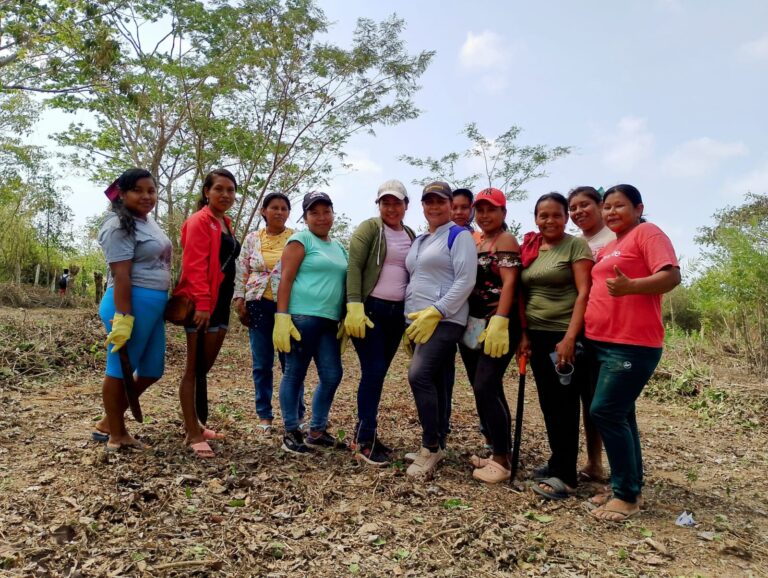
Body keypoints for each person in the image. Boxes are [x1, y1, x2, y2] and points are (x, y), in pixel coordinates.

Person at [584, 184, 680, 522]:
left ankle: (626, 497)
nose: (611, 213)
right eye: (607, 207)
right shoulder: (610, 245)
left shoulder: (647, 233)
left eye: (619, 206)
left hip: (632, 344)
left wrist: (630, 287)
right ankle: (627, 484)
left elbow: (670, 276)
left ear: (638, 208)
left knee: (606, 412)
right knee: (622, 415)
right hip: (600, 341)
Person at [519, 192, 593, 499]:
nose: (549, 220)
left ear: (566, 217)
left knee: (564, 404)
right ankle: (557, 461)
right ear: (536, 218)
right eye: (543, 215)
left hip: (564, 335)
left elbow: (584, 292)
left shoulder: (575, 245)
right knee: (549, 402)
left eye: (556, 215)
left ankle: (567, 476)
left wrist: (570, 338)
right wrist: (524, 335)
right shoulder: (533, 247)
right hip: (536, 334)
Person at [403, 181, 477, 478]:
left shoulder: (459, 236)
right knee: (438, 380)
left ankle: (430, 446)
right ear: (422, 205)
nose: (434, 206)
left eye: (440, 201)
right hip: (419, 321)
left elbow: (465, 280)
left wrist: (438, 310)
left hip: (446, 319)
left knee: (418, 375)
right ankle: (440, 442)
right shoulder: (421, 240)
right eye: (428, 201)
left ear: (450, 204)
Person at [96, 168, 172, 451]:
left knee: (152, 369)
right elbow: (122, 275)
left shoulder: (148, 222)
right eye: (138, 190)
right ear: (123, 194)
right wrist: (123, 318)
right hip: (129, 303)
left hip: (153, 305)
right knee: (119, 369)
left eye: (151, 190)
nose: (146, 196)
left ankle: (109, 420)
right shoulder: (117, 225)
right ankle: (117, 434)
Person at [345, 179, 416, 465]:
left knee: (379, 373)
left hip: (396, 315)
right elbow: (354, 266)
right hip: (370, 310)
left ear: (406, 205)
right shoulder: (370, 229)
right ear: (378, 205)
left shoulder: (410, 233)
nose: (391, 207)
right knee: (373, 371)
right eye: (385, 202)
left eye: (396, 202)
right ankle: (363, 440)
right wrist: (353, 306)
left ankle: (367, 432)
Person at [273, 191, 348, 455]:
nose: (321, 217)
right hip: (302, 317)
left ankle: (316, 430)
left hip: (329, 321)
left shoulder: (338, 247)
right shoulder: (300, 240)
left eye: (326, 211)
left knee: (332, 374)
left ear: (332, 214)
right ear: (305, 217)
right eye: (314, 212)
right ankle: (291, 430)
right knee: (295, 373)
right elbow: (286, 279)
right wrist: (281, 317)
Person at [173, 168, 241, 458]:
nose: (225, 195)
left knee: (204, 367)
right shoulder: (199, 221)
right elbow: (194, 265)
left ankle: (197, 422)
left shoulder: (224, 222)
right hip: (201, 302)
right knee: (192, 368)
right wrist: (201, 303)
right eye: (219, 189)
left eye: (230, 190)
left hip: (221, 302)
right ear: (206, 192)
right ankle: (191, 431)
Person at [458, 188, 523, 483]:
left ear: (503, 213)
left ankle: (501, 461)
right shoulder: (476, 240)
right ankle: (501, 452)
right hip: (474, 323)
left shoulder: (505, 240)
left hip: (497, 324)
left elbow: (510, 283)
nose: (485, 215)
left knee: (485, 385)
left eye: (491, 210)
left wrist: (500, 320)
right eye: (480, 210)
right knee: (487, 388)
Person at [233, 192, 300, 434]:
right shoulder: (252, 238)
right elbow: (242, 269)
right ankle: (264, 415)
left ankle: (295, 414)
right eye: (274, 207)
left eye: (284, 208)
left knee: (290, 363)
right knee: (262, 363)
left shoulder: (297, 238)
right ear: (264, 211)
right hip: (258, 304)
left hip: (288, 307)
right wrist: (239, 298)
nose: (279, 212)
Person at [568, 186, 616, 483]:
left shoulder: (615, 237)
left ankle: (622, 472)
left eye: (584, 205)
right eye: (573, 208)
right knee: (588, 397)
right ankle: (594, 462)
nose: (578, 212)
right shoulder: (575, 243)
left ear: (600, 205)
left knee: (609, 402)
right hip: (583, 328)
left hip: (613, 330)